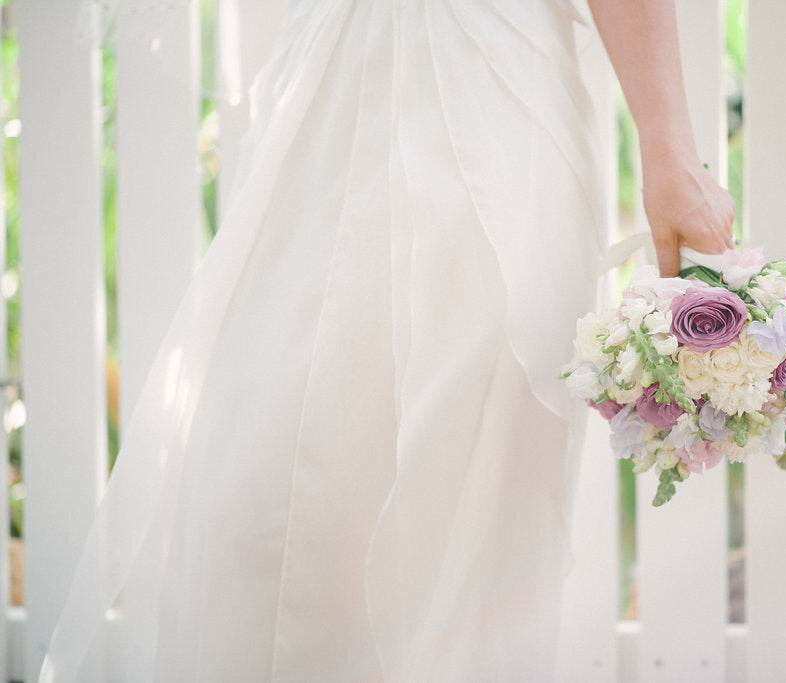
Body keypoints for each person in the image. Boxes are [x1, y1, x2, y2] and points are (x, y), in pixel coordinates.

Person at [41, 0, 734, 680]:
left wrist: (668, 148)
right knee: (258, 497)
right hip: (325, 83)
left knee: (458, 499)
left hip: (489, 94)